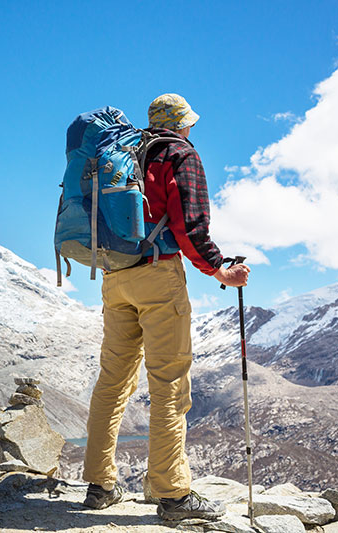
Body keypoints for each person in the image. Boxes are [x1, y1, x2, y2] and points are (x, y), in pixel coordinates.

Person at [81, 94, 250, 521]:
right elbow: (189, 224)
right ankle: (172, 495)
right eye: (189, 123)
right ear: (181, 124)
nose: (192, 129)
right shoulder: (179, 154)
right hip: (158, 275)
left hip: (115, 276)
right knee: (169, 385)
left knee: (113, 381)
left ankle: (99, 485)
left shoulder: (126, 152)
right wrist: (219, 271)